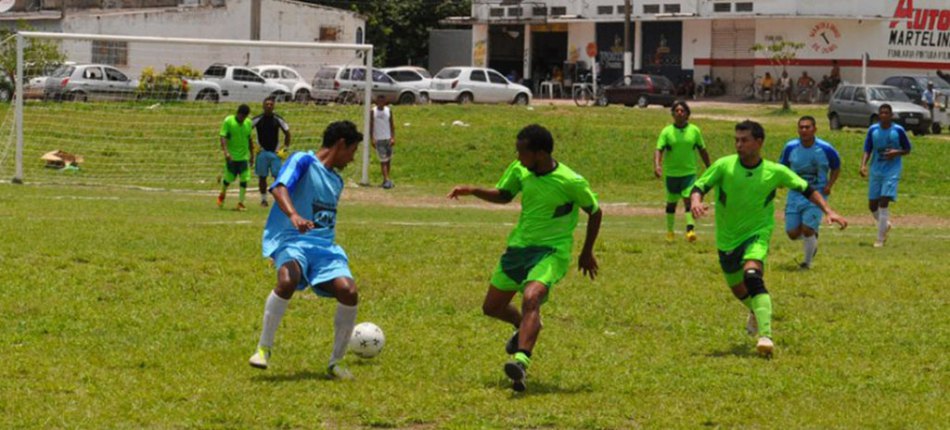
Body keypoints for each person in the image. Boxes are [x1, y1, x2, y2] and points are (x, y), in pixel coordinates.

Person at [447, 124, 602, 392]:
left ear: (540, 153)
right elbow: (504, 195)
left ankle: (520, 362)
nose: (518, 157)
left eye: (522, 152)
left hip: (551, 252)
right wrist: (473, 190)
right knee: (491, 308)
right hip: (518, 249)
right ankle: (525, 326)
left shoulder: (570, 181)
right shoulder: (521, 170)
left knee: (531, 297)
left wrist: (586, 251)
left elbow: (595, 211)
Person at [689, 120, 847, 357]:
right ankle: (755, 310)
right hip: (727, 238)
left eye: (744, 140)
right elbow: (699, 186)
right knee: (738, 290)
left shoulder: (775, 171)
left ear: (759, 142)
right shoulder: (724, 166)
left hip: (757, 235)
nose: (739, 145)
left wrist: (829, 211)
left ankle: (765, 336)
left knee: (752, 276)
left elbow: (807, 188)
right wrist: (696, 202)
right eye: (737, 140)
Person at [248, 120, 364, 379]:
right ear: (341, 144)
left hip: (325, 248)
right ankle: (263, 349)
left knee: (349, 291)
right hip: (292, 239)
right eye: (352, 151)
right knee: (288, 280)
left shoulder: (337, 180)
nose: (352, 159)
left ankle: (336, 363)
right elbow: (279, 187)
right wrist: (294, 216)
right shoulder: (303, 160)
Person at [779, 116, 841, 269]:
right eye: (801, 127)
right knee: (792, 233)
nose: (804, 130)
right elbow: (782, 167)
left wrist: (829, 185)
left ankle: (807, 263)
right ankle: (812, 236)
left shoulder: (826, 148)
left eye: (807, 127)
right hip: (795, 194)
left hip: (816, 194)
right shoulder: (790, 147)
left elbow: (836, 167)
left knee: (807, 229)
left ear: (815, 129)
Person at [654, 101, 711, 242]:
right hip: (672, 174)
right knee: (671, 204)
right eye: (677, 110)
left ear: (687, 114)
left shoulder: (694, 131)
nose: (679, 113)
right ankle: (670, 232)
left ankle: (690, 231)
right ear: (672, 114)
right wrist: (657, 165)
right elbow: (659, 149)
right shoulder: (666, 132)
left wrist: (710, 167)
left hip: (689, 173)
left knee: (688, 201)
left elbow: (702, 149)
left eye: (682, 110)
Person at [860, 104, 911, 248]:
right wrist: (863, 165)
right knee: (872, 205)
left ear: (891, 115)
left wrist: (896, 152)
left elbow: (907, 149)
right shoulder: (873, 130)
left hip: (892, 171)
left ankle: (880, 239)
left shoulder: (898, 130)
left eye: (886, 113)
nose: (884, 115)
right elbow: (867, 149)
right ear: (878, 115)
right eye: (881, 113)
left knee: (883, 202)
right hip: (876, 170)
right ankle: (885, 225)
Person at [252, 96, 291, 207]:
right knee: (262, 177)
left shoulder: (278, 119)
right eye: (267, 104)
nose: (269, 106)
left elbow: (287, 133)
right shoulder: (257, 119)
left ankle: (278, 201)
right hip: (262, 152)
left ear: (274, 106)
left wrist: (284, 149)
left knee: (277, 177)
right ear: (263, 106)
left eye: (271, 104)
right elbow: (246, 131)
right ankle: (263, 200)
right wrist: (253, 146)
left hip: (275, 153)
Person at [217, 104, 254, 211]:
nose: (243, 119)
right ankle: (222, 194)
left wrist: (252, 155)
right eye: (241, 116)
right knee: (229, 179)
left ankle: (240, 203)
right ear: (237, 113)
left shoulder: (248, 123)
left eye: (245, 116)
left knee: (244, 179)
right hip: (232, 157)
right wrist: (226, 152)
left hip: (243, 157)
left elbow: (249, 139)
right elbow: (222, 136)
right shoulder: (229, 121)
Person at [369, 94, 396, 189]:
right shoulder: (373, 111)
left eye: (383, 101)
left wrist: (393, 137)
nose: (381, 103)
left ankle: (386, 180)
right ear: (377, 102)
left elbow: (392, 124)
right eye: (379, 101)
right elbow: (371, 125)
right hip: (379, 139)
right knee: (383, 160)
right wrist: (372, 138)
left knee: (388, 160)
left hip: (387, 138)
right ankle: (386, 179)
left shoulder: (388, 111)